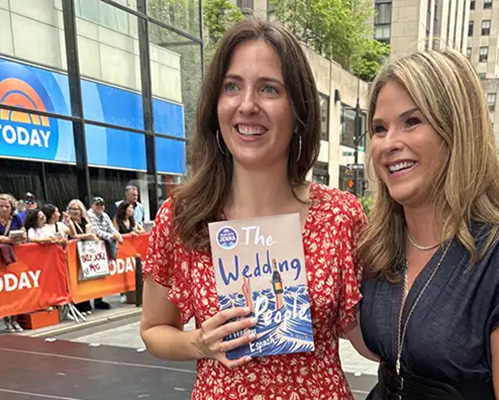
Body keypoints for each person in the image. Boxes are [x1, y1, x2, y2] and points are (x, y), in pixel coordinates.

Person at [140, 19, 367, 400]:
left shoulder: (340, 216)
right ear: (215, 105)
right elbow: (153, 329)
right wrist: (200, 342)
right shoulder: (183, 216)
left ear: (298, 110)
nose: (247, 105)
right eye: (232, 87)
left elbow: (365, 335)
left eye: (269, 89)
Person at [357, 48, 499, 400]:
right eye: (379, 128)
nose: (389, 143)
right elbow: (396, 350)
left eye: (412, 121)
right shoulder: (380, 247)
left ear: (457, 131)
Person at [88, 197, 123, 310]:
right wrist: (112, 236)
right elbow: (96, 231)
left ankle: (99, 300)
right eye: (97, 205)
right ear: (92, 205)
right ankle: (88, 301)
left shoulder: (105, 215)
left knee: (101, 273)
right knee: (91, 275)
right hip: (91, 249)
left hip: (103, 248)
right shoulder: (90, 215)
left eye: (102, 205)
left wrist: (118, 235)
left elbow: (111, 228)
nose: (100, 207)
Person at [66, 199, 99, 315]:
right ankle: (77, 305)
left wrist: (92, 235)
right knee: (75, 280)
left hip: (86, 253)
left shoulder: (86, 220)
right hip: (73, 253)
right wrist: (89, 235)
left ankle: (86, 303)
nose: (74, 211)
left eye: (77, 209)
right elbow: (73, 236)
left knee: (85, 279)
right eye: (72, 209)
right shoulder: (68, 221)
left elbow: (92, 232)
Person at [0, 194, 26, 333]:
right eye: (1, 206)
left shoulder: (15, 218)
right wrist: (6, 239)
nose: (4, 209)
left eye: (7, 206)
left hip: (15, 258)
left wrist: (22, 235)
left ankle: (15, 320)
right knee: (3, 291)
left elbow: (22, 231)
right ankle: (6, 320)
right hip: (1, 259)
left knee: (15, 290)